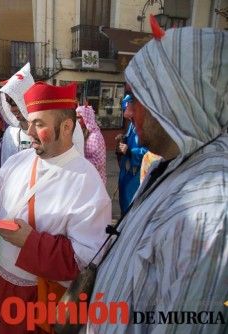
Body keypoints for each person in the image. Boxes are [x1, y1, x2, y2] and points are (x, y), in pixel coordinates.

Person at [88, 26, 227, 333]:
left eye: (135, 99)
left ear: (173, 100)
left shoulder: (209, 207)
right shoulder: (175, 164)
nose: (128, 112)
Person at [0, 82, 111, 334]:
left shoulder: (87, 182)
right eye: (30, 121)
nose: (29, 130)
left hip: (37, 296)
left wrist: (29, 241)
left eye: (39, 124)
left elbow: (85, 261)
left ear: (66, 127)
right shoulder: (19, 160)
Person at [0, 63, 85, 167]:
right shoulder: (11, 132)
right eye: (8, 103)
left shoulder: (69, 127)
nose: (12, 109)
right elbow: (7, 168)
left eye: (15, 103)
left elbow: (76, 164)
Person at [116, 94, 148, 214]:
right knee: (123, 199)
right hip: (126, 170)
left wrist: (130, 151)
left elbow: (148, 152)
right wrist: (123, 138)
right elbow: (129, 139)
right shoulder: (132, 125)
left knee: (131, 203)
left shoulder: (144, 126)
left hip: (136, 173)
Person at [76, 103, 107, 184]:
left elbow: (99, 161)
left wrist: (79, 162)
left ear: (86, 118)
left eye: (79, 117)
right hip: (87, 178)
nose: (76, 120)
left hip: (95, 181)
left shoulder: (95, 136)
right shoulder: (83, 132)